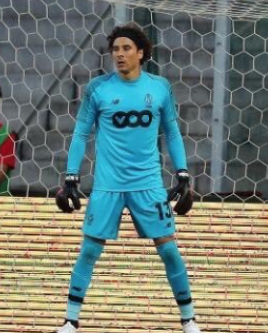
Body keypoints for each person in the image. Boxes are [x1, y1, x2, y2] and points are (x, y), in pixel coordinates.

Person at [54, 23, 202, 333]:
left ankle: (189, 320)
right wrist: (71, 176)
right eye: (115, 50)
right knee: (90, 250)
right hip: (108, 185)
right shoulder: (98, 89)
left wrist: (183, 172)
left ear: (141, 53)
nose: (119, 55)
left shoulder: (159, 87)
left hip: (147, 184)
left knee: (169, 249)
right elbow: (81, 132)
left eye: (125, 49)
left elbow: (172, 132)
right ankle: (70, 321)